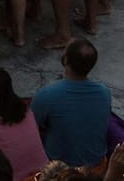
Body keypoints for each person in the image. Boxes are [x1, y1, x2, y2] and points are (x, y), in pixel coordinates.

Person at [28, 39, 111, 168]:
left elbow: (31, 130)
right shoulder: (105, 92)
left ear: (65, 61)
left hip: (61, 169)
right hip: (96, 164)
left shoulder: (47, 95)